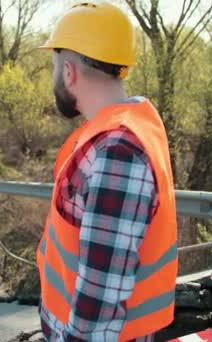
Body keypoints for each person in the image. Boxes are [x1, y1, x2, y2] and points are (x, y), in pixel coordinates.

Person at [36, 2, 178, 341]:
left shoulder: (117, 152)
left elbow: (99, 303)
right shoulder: (119, 132)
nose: (54, 76)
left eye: (54, 67)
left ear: (69, 72)